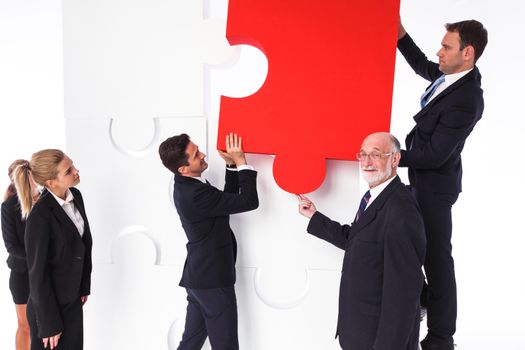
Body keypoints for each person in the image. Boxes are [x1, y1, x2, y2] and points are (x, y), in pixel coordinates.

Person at [397, 19, 488, 350]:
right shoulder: (451, 76)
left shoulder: (467, 99)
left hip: (435, 186)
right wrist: (401, 35)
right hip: (422, 180)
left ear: (467, 52)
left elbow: (434, 155)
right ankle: (421, 297)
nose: (439, 51)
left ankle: (440, 340)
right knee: (410, 243)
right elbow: (424, 65)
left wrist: (389, 156)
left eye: (446, 47)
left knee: (437, 261)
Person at [298, 132, 426, 350]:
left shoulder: (401, 210)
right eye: (363, 154)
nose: (366, 162)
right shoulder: (375, 197)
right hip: (359, 332)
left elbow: (403, 293)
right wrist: (315, 217)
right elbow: (358, 240)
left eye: (375, 155)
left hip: (379, 340)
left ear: (395, 159)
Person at [158, 133, 258, 350]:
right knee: (226, 345)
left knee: (190, 344)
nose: (203, 154)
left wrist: (231, 167)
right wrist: (242, 162)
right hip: (212, 282)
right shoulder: (195, 194)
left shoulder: (187, 185)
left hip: (199, 279)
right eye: (196, 155)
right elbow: (249, 201)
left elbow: (225, 204)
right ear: (183, 168)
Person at [13, 150, 93, 350]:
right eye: (68, 171)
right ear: (50, 182)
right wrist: (49, 324)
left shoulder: (76, 196)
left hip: (72, 300)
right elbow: (37, 274)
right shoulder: (39, 217)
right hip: (49, 308)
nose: (76, 171)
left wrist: (83, 286)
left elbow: (84, 244)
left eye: (73, 165)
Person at [2, 159, 40, 350]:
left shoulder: (44, 201)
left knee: (42, 325)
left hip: (44, 272)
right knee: (25, 326)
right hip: (22, 274)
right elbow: (11, 246)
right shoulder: (9, 207)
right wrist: (37, 257)